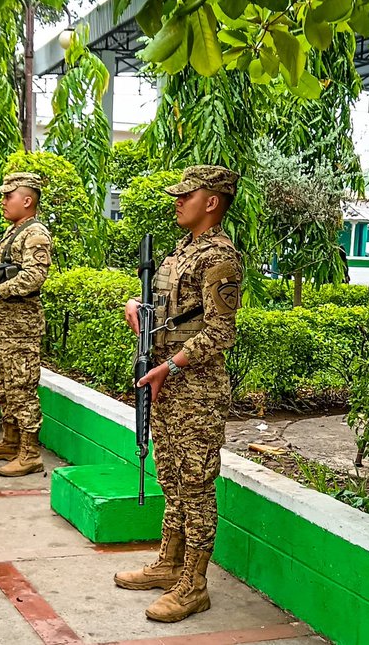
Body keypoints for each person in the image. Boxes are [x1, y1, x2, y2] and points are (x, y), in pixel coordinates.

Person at [113, 165, 243, 624]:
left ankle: (195, 584)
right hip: (166, 383)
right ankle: (169, 563)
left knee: (196, 484)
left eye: (187, 195)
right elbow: (173, 312)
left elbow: (220, 332)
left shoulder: (220, 257)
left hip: (196, 391)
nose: (177, 200)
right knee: (170, 477)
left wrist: (172, 365)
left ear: (212, 202)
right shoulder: (181, 251)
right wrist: (139, 309)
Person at [0, 172, 53, 478]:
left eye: (9, 196)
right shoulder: (12, 232)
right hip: (2, 327)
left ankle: (30, 454)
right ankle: (10, 440)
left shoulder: (35, 234)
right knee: (2, 385)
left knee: (22, 389)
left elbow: (35, 276)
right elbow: (7, 269)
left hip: (21, 329)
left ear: (27, 200)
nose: (3, 201)